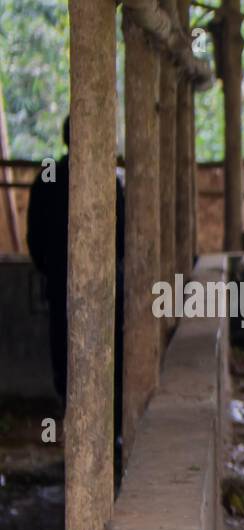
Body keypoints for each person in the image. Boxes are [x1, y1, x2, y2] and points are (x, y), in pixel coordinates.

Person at [25, 115, 126, 485]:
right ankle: (106, 440)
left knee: (66, 362)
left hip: (63, 288)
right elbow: (124, 235)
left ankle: (80, 439)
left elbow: (35, 234)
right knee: (106, 359)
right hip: (102, 291)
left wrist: (52, 269)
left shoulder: (50, 176)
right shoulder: (107, 181)